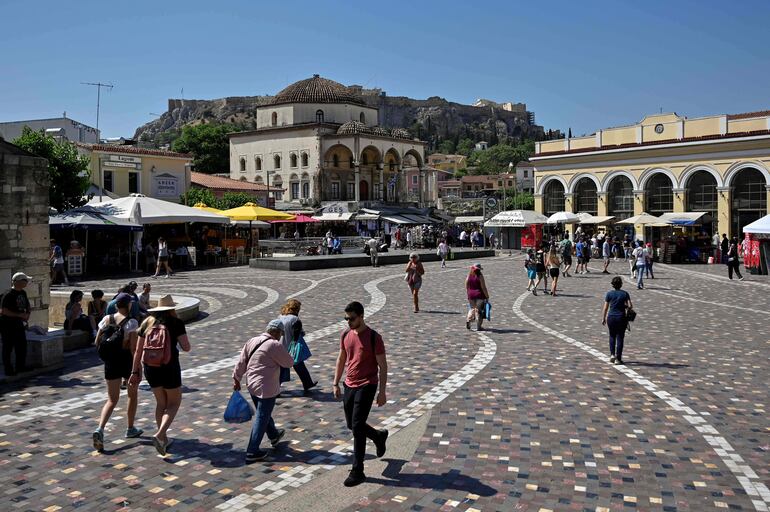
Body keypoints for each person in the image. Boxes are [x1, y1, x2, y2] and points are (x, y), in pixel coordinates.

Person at [332, 301, 388, 487]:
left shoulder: (374, 337)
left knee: (357, 426)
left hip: (367, 385)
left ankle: (358, 471)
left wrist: (382, 392)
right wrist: (336, 382)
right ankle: (378, 436)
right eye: (346, 319)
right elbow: (341, 358)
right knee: (352, 424)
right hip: (349, 384)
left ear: (362, 316)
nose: (348, 322)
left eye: (352, 319)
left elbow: (383, 366)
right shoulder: (345, 335)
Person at [129, 294, 191, 455]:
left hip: (150, 367)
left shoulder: (146, 323)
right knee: (174, 403)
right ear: (171, 309)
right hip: (169, 366)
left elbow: (138, 350)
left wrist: (134, 371)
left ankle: (163, 440)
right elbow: (186, 347)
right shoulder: (176, 323)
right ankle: (160, 434)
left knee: (161, 403)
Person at [232, 319, 294, 462]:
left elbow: (241, 361)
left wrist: (236, 378)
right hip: (266, 387)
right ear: (277, 332)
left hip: (251, 384)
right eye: (281, 334)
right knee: (262, 416)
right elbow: (289, 363)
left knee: (263, 413)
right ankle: (252, 451)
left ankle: (274, 435)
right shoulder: (274, 345)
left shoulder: (252, 341)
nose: (281, 337)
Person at [92, 293, 142, 452]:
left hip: (110, 363)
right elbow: (133, 348)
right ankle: (130, 428)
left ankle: (100, 429)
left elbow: (96, 342)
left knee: (112, 399)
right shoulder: (132, 322)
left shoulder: (107, 319)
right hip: (126, 361)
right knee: (132, 395)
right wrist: (137, 368)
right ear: (129, 305)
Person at [277, 299, 318, 392]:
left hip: (280, 346)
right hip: (291, 348)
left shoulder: (280, 317)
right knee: (299, 366)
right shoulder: (295, 320)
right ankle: (307, 383)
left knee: (281, 368)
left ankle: (307, 383)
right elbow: (298, 335)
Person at [1, 272, 31, 376]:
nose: (27, 283)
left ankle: (20, 367)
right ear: (18, 282)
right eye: (25, 280)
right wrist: (19, 315)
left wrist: (27, 315)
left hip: (19, 324)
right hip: (8, 325)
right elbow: (4, 311)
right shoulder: (8, 294)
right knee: (8, 347)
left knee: (21, 346)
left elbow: (27, 306)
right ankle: (8, 369)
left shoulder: (23, 293)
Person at [602, 276, 633, 365]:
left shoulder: (609, 294)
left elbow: (605, 307)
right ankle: (618, 358)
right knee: (620, 337)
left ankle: (612, 354)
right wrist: (624, 306)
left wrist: (603, 318)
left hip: (611, 317)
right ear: (621, 284)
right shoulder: (625, 294)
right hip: (621, 317)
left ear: (612, 285)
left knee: (612, 336)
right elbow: (630, 306)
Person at [465, 263, 489, 330]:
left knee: (472, 309)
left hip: (471, 294)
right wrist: (487, 296)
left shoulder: (469, 275)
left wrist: (468, 292)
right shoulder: (480, 276)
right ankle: (479, 326)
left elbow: (466, 285)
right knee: (479, 311)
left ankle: (468, 319)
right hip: (479, 295)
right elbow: (483, 287)